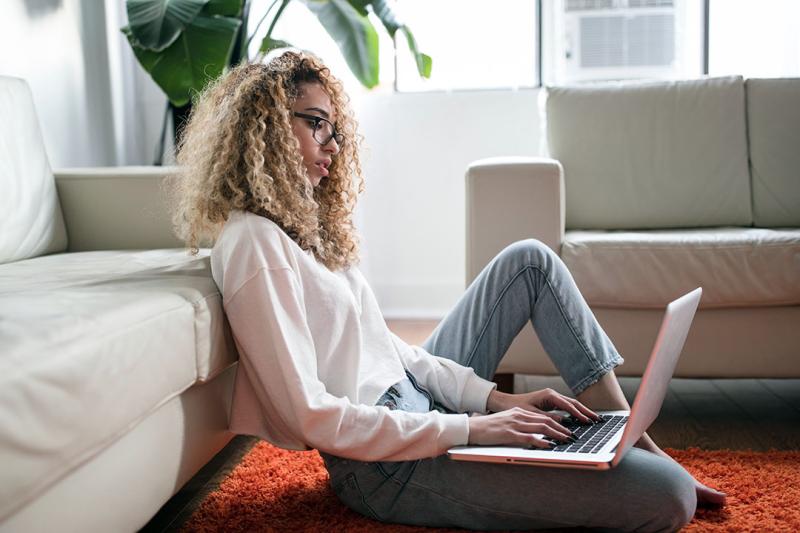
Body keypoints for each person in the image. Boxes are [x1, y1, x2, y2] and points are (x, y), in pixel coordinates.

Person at [171, 50, 725, 532]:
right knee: (667, 497)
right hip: (384, 467)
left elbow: (389, 351)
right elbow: (309, 416)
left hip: (417, 408)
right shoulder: (254, 243)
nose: (332, 146)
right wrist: (472, 428)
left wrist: (494, 401)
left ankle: (632, 437)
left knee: (529, 261)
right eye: (315, 123)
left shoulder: (302, 230)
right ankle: (634, 459)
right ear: (263, 126)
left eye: (334, 130)